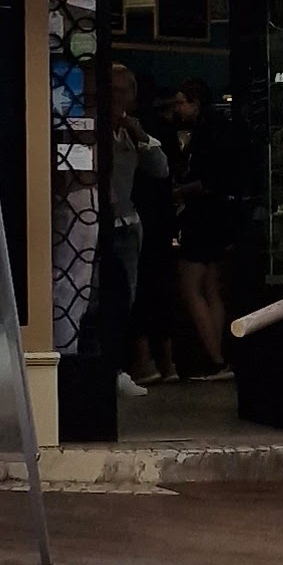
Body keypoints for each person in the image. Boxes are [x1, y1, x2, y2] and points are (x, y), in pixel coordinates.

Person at [110, 63, 176, 388]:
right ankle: (106, 367)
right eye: (113, 90)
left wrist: (140, 135)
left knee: (127, 298)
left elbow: (161, 169)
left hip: (128, 225)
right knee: (96, 299)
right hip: (95, 225)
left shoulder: (131, 131)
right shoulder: (89, 129)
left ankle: (121, 368)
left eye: (124, 91)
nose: (118, 97)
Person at [168, 78, 236, 375]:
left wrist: (178, 191)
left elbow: (207, 180)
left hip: (200, 217)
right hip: (218, 217)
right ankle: (218, 355)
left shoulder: (205, 134)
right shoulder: (221, 129)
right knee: (212, 288)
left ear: (195, 103)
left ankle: (213, 357)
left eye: (181, 102)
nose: (177, 109)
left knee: (191, 287)